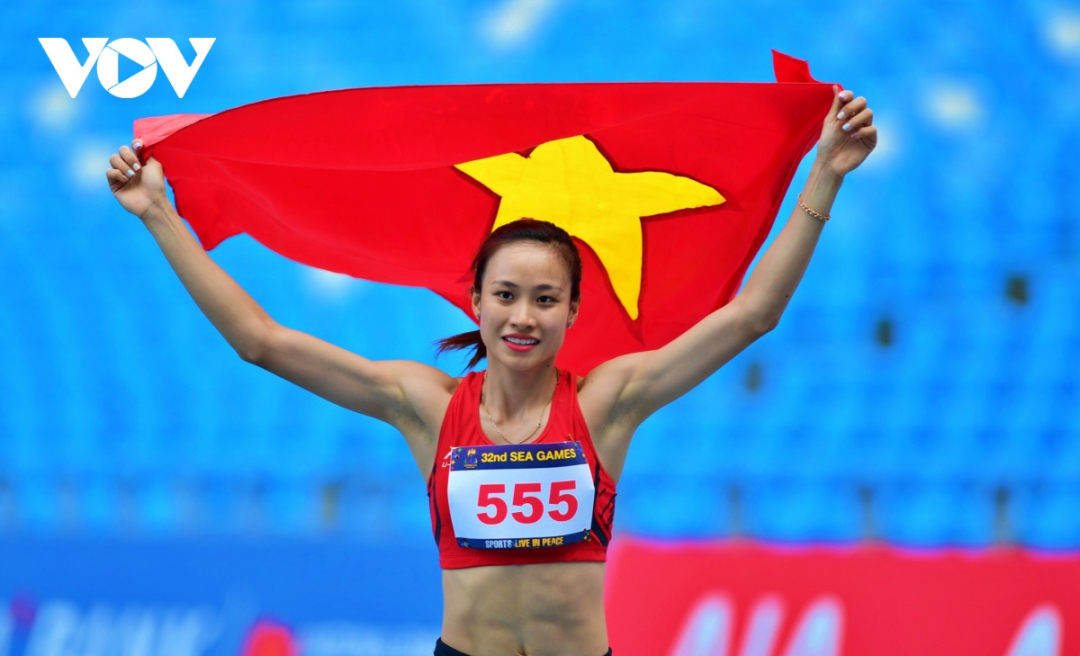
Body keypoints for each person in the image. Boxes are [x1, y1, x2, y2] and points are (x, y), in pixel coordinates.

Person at [107, 85, 875, 656]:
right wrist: (159, 216)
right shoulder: (425, 405)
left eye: (546, 299)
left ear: (574, 312)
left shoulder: (610, 401)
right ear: (474, 300)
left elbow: (751, 316)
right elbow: (261, 341)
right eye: (506, 295)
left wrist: (826, 176)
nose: (524, 316)